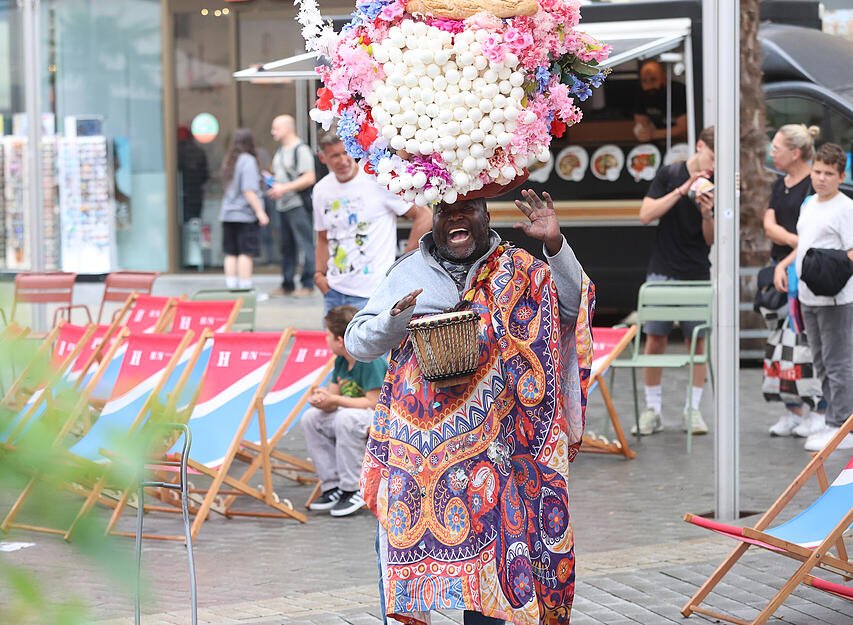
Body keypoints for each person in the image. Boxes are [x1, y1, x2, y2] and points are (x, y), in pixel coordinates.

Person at [346, 189, 595, 624]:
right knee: (399, 558)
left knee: (492, 564)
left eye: (468, 210)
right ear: (435, 219)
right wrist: (394, 320)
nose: (456, 219)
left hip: (495, 453)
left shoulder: (520, 268)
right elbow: (357, 341)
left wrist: (555, 245)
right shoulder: (407, 272)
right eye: (446, 211)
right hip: (418, 457)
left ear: (485, 216)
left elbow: (571, 311)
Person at [773, 142, 853, 452]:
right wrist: (785, 264)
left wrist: (828, 269)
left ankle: (842, 425)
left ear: (840, 175)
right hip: (807, 294)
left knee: (838, 362)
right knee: (819, 361)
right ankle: (832, 420)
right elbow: (804, 244)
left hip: (836, 296)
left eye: (828, 174)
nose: (821, 178)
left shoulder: (846, 208)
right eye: (817, 171)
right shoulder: (809, 204)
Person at [637, 126, 715, 436]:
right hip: (663, 269)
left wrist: (708, 214)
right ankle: (652, 409)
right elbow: (646, 214)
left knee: (696, 342)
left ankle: (692, 409)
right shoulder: (670, 173)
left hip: (696, 272)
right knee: (655, 339)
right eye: (711, 156)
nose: (713, 165)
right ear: (699, 146)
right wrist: (684, 189)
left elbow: (710, 241)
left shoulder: (718, 182)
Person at [312, 132, 433, 314]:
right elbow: (323, 237)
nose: (343, 160)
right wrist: (319, 276)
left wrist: (402, 265)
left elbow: (425, 215)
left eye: (346, 152)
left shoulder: (376, 180)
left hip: (373, 292)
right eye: (335, 156)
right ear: (322, 157)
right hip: (334, 291)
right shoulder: (321, 190)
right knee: (335, 343)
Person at [763, 124, 826, 437]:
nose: (771, 153)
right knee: (779, 345)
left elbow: (812, 236)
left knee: (805, 343)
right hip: (781, 267)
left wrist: (791, 249)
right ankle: (792, 409)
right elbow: (768, 223)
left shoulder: (813, 185)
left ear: (796, 152)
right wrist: (792, 240)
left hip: (801, 271)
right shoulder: (781, 183)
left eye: (776, 147)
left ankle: (818, 409)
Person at [302, 305, 388, 517]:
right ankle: (332, 485)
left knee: (345, 418)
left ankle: (353, 489)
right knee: (311, 418)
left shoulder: (370, 360)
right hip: (352, 415)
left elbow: (374, 402)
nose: (326, 339)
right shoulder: (341, 360)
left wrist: (336, 400)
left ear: (340, 340)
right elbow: (335, 398)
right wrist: (324, 400)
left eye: (328, 335)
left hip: (380, 417)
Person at [267, 115, 317, 296]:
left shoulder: (301, 150)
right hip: (282, 205)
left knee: (305, 244)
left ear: (287, 128)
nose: (273, 132)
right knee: (286, 246)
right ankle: (287, 283)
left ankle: (308, 284)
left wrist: (284, 188)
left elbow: (309, 177)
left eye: (275, 128)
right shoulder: (280, 151)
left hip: (297, 205)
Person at [218, 128, 269, 289]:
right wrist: (260, 212)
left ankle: (232, 288)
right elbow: (249, 190)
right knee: (245, 253)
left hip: (227, 214)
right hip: (244, 215)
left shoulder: (229, 161)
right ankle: (246, 290)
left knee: (231, 253)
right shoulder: (248, 160)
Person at [632, 60, 688, 143]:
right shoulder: (641, 92)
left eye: (653, 79)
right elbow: (640, 122)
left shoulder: (678, 91)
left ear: (664, 77)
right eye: (644, 81)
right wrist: (641, 131)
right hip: (654, 144)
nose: (649, 85)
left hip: (681, 142)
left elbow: (683, 127)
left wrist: (653, 134)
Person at [177, 125, 209, 222]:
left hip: (181, 194)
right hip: (196, 195)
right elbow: (205, 175)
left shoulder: (175, 152)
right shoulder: (199, 151)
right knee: (194, 223)